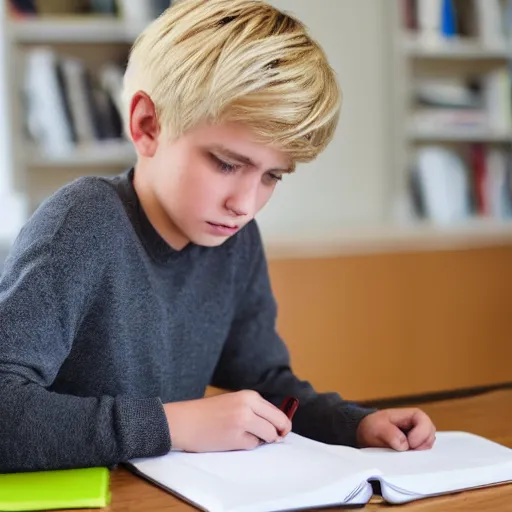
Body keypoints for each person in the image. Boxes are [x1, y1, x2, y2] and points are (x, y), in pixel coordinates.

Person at [0, 0, 435, 473]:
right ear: (148, 125)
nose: (245, 205)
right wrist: (172, 425)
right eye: (227, 164)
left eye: (273, 177)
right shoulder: (83, 222)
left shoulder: (234, 240)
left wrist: (353, 424)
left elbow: (267, 383)